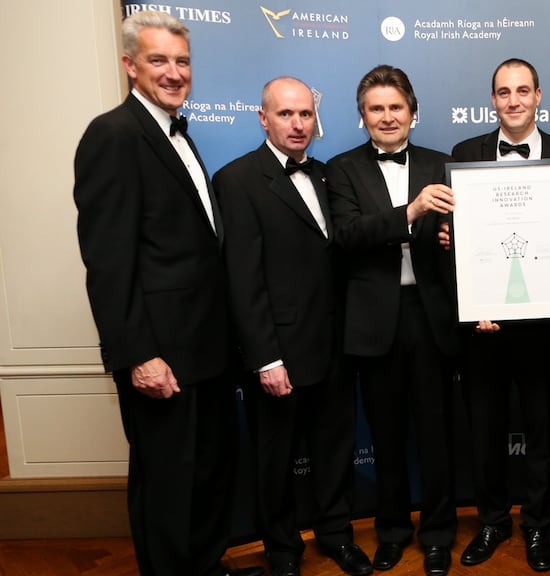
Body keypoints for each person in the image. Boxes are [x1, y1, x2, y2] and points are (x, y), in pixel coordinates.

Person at [72, 10, 262, 576]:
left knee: (207, 472)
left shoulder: (178, 132)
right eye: (159, 60)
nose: (174, 72)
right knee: (167, 483)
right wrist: (136, 355)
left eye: (182, 61)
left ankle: (205, 566)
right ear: (130, 66)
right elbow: (107, 262)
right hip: (162, 354)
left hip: (206, 347)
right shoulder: (112, 134)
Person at [213, 77, 372, 576]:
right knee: (275, 460)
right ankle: (282, 549)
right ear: (263, 119)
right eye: (285, 114)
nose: (298, 124)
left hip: (333, 348)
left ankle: (336, 535)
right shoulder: (236, 180)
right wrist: (265, 357)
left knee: (335, 450)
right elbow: (242, 277)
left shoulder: (329, 176)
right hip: (278, 352)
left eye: (305, 114)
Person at [449, 57, 550, 573]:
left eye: (522, 90)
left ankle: (535, 525)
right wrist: (475, 301)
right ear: (492, 100)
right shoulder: (465, 155)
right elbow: (459, 244)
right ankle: (490, 521)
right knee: (483, 429)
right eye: (503, 92)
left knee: (540, 429)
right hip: (483, 328)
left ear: (539, 95)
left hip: (545, 325)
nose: (513, 100)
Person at [325, 65, 459, 576]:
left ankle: (439, 534)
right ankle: (393, 532)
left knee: (436, 436)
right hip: (373, 321)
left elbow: (462, 243)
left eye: (395, 107)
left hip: (431, 318)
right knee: (385, 436)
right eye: (376, 109)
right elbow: (347, 237)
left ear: (413, 112)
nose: (387, 117)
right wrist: (411, 210)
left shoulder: (441, 164)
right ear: (362, 117)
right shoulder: (340, 170)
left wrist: (450, 241)